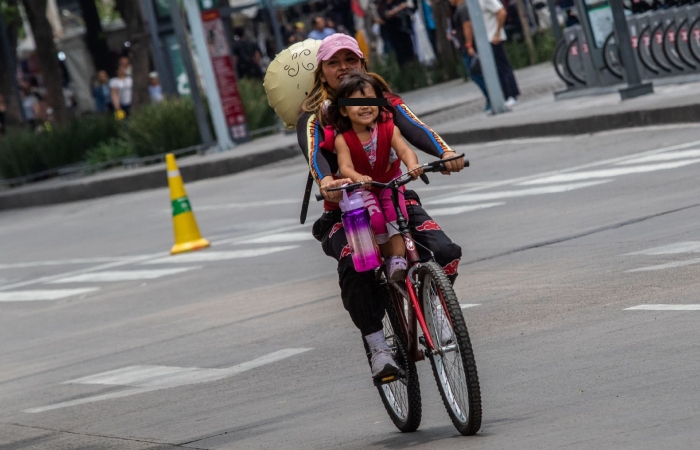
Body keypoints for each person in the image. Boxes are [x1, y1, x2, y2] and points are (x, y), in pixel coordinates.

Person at [296, 33, 464, 379]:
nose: (343, 68)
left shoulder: (383, 102)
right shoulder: (316, 117)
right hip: (347, 213)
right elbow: (316, 157)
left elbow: (414, 130)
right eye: (334, 63)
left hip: (394, 196)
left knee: (444, 250)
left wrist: (445, 154)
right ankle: (379, 347)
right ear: (322, 72)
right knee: (355, 270)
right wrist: (327, 183)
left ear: (363, 64)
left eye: (351, 60)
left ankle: (435, 304)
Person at [327, 71, 424, 285]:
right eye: (356, 103)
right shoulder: (343, 139)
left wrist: (413, 165)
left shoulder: (389, 129)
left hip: (390, 183)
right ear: (343, 110)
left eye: (370, 101)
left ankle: (397, 261)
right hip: (364, 189)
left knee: (396, 217)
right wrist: (358, 177)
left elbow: (405, 151)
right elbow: (344, 167)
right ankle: (384, 258)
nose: (365, 106)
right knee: (377, 220)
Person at [450, 0, 490, 111]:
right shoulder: (461, 9)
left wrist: (469, 45)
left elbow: (467, 26)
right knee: (475, 73)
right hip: (466, 46)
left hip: (469, 47)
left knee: (476, 74)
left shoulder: (463, 9)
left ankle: (490, 96)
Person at [479, 0, 520, 106]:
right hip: (487, 39)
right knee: (497, 69)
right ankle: (506, 95)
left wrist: (497, 33)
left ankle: (511, 94)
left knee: (502, 67)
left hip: (493, 38)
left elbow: (501, 12)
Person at [376, 0, 416, 67]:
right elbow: (386, 15)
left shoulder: (398, 2)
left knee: (410, 55)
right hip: (392, 35)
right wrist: (399, 8)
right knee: (399, 56)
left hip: (404, 32)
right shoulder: (382, 5)